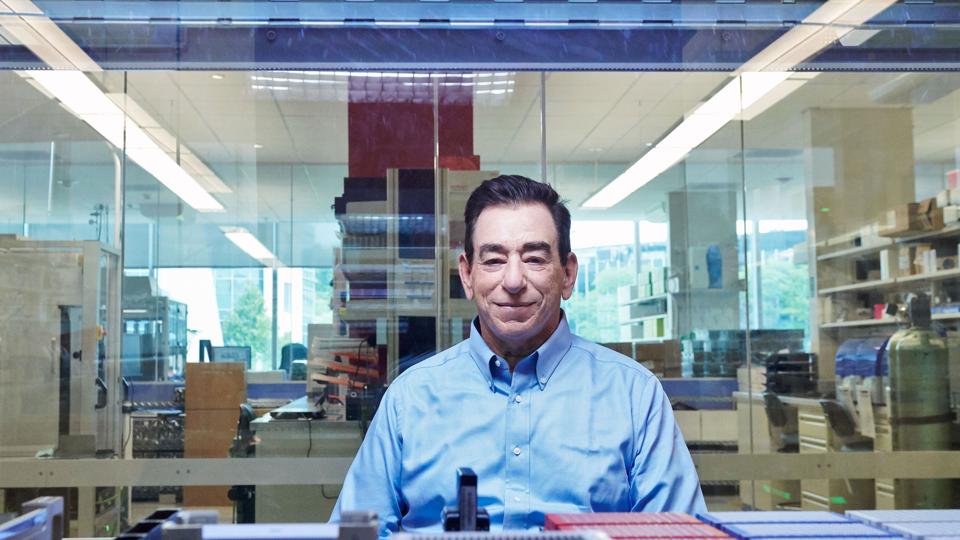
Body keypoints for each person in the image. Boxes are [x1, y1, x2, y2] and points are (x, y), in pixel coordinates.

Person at [330, 175, 705, 536]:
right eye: (494, 260)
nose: (512, 281)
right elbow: (353, 535)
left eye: (535, 259)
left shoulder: (635, 396)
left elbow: (678, 536)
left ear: (568, 274)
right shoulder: (409, 398)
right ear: (467, 275)